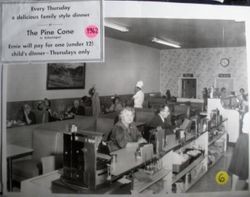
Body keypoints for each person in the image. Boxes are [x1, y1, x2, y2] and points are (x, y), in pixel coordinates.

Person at [228, 112, 249, 190]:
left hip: (245, 139)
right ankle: (232, 191)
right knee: (238, 166)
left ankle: (247, 182)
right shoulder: (247, 115)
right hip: (245, 140)